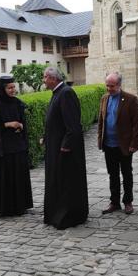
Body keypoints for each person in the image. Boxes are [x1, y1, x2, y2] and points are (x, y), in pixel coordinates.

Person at [42, 66, 89, 229]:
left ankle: (67, 215)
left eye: (45, 77)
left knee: (66, 182)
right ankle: (55, 213)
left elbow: (73, 125)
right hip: (55, 146)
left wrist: (66, 146)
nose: (44, 80)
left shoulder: (66, 93)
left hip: (64, 150)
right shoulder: (57, 93)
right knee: (57, 181)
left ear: (53, 78)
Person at [97, 72, 138, 215]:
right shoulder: (104, 98)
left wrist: (134, 143)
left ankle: (128, 201)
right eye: (107, 85)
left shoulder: (130, 99)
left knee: (127, 173)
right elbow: (101, 120)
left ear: (119, 85)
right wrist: (100, 139)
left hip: (124, 145)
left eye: (112, 86)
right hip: (108, 145)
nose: (109, 88)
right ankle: (114, 202)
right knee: (113, 175)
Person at [0, 75, 33, 216]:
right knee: (6, 177)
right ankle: (6, 208)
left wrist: (20, 126)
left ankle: (20, 206)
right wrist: (8, 124)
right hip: (5, 148)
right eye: (9, 88)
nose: (13, 90)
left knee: (19, 175)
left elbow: (23, 122)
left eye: (14, 87)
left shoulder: (18, 103)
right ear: (3, 89)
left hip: (18, 146)